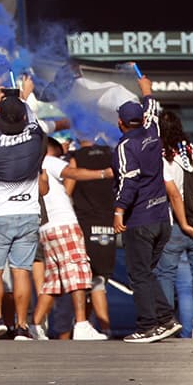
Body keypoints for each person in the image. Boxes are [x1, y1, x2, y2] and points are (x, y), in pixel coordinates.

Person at [0, 79, 50, 341]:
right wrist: (25, 97)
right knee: (21, 271)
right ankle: (23, 326)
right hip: (28, 213)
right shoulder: (36, 136)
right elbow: (34, 118)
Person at [113, 72, 181, 344]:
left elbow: (127, 182)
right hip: (162, 219)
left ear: (120, 123)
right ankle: (166, 319)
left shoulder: (125, 146)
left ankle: (148, 326)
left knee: (138, 275)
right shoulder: (154, 131)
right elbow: (152, 109)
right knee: (146, 273)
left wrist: (119, 210)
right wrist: (147, 90)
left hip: (139, 219)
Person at [30, 137, 109, 341]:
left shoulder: (28, 165)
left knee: (53, 281)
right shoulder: (48, 160)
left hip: (46, 229)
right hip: (64, 224)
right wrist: (104, 173)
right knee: (79, 272)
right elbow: (73, 173)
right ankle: (82, 324)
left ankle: (35, 325)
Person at [155, 109, 193, 339]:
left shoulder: (162, 155)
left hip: (176, 223)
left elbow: (174, 195)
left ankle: (169, 323)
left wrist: (183, 223)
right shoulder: (190, 149)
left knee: (167, 275)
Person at [68, 134, 117, 334]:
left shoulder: (77, 157)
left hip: (85, 223)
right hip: (108, 222)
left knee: (89, 278)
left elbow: (67, 190)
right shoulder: (111, 155)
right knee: (99, 279)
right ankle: (99, 327)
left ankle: (94, 326)